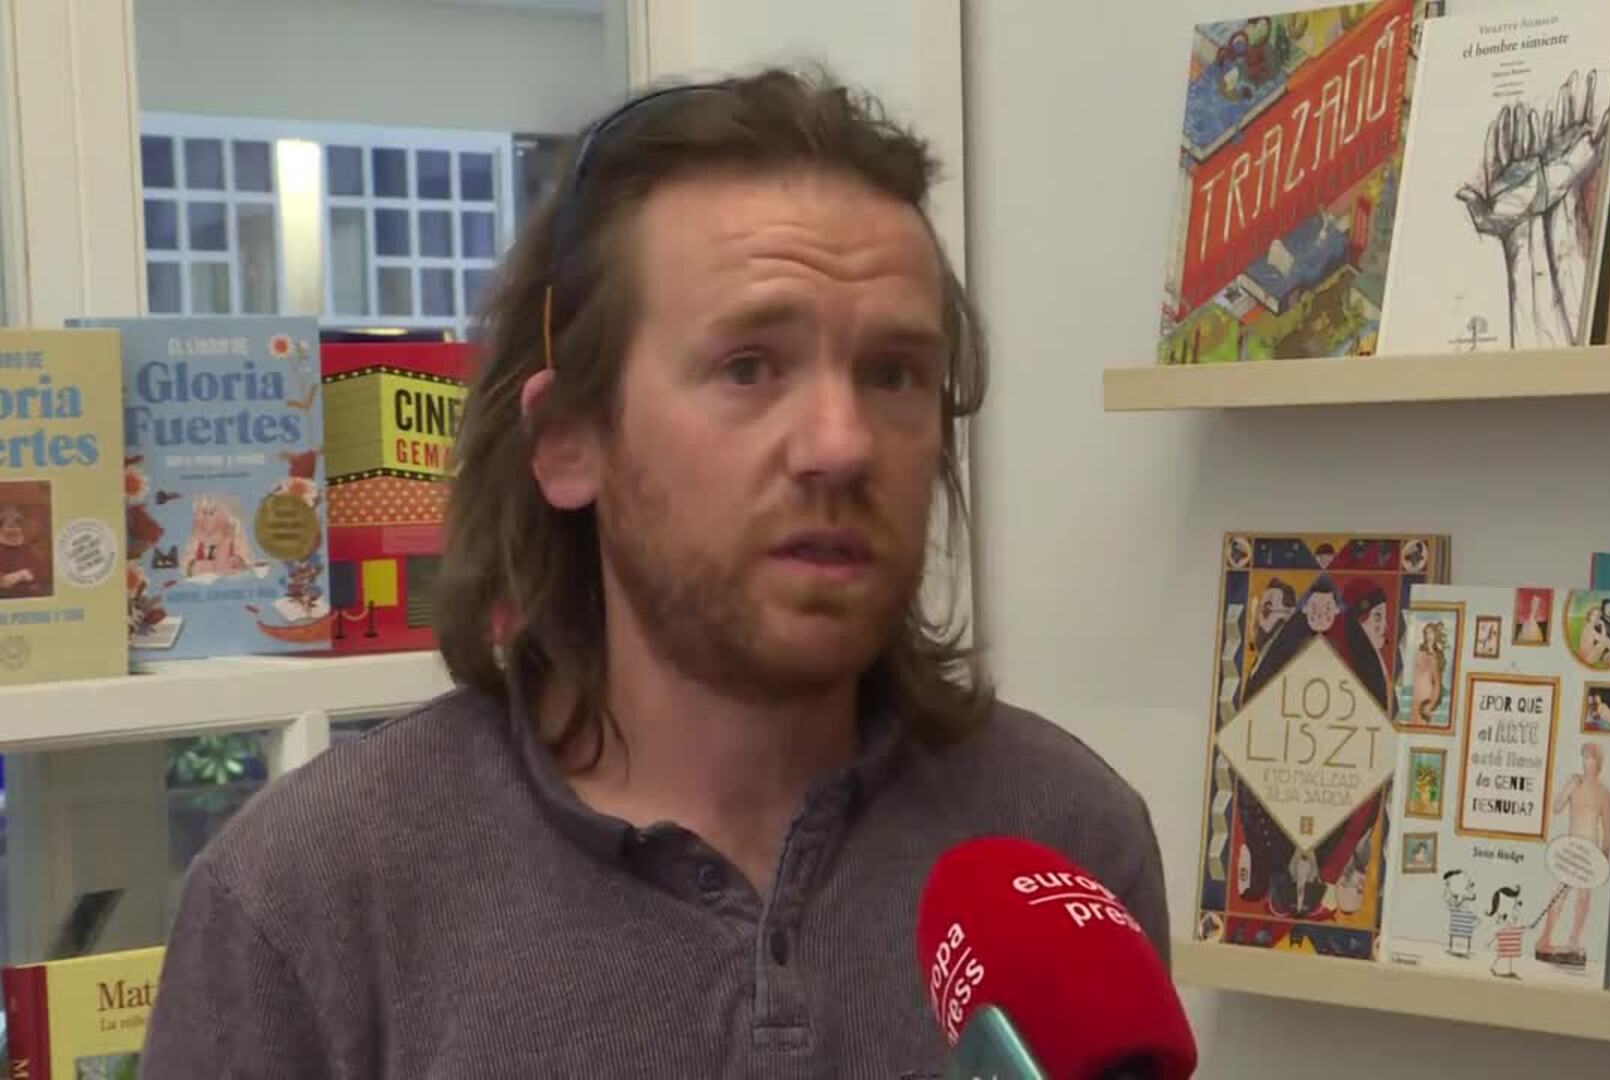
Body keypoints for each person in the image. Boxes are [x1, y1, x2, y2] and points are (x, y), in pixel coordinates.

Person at [141, 70, 1169, 1078]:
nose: (842, 444)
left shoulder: (1065, 844)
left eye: (893, 373)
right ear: (568, 440)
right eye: (748, 367)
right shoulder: (308, 901)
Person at [1536, 743, 1610, 966]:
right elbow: (1557, 807)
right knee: (1560, 893)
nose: (1587, 762)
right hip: (1570, 848)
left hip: (1591, 852)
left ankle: (1573, 940)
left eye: (1591, 758)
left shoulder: (1604, 793)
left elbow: (1608, 829)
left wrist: (1605, 858)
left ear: (1599, 763)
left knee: (1584, 897)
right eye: (1584, 758)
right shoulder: (1575, 782)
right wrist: (1569, 787)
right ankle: (1545, 937)